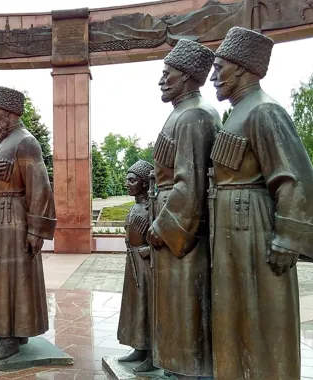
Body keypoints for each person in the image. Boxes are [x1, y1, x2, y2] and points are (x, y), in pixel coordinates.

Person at [209, 26, 313, 380]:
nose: (213, 76)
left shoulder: (265, 111)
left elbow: (295, 177)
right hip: (232, 229)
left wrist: (288, 236)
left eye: (219, 66)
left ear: (241, 68)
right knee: (236, 311)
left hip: (252, 228)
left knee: (261, 312)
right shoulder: (239, 112)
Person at [146, 39, 219, 379]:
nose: (162, 80)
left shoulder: (193, 115)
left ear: (189, 76)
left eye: (168, 73)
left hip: (183, 233)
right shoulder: (181, 112)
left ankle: (188, 368)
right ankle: (176, 365)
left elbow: (190, 184)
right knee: (174, 303)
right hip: (171, 222)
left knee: (185, 300)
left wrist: (163, 227)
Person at [0, 86, 56, 362]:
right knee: (2, 275)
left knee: (14, 276)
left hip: (15, 219)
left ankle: (11, 338)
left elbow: (40, 187)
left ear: (9, 113)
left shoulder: (26, 142)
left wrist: (35, 230)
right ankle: (11, 329)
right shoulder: (3, 142)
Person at [116, 160, 156, 373]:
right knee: (135, 305)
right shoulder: (136, 206)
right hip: (132, 262)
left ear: (145, 183)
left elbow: (161, 235)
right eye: (127, 179)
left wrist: (149, 250)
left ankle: (152, 354)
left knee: (148, 306)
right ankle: (139, 347)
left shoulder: (154, 205)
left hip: (146, 264)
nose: (127, 184)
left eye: (132, 180)